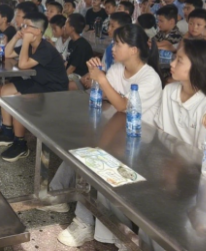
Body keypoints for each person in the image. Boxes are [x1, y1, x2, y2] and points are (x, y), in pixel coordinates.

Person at [56, 24, 163, 248]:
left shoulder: (150, 78)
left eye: (118, 44)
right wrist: (95, 75)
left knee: (93, 159)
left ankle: (86, 223)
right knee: (81, 150)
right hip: (115, 132)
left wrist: (102, 79)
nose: (112, 48)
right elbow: (104, 95)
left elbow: (123, 106)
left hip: (139, 143)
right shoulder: (117, 69)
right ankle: (60, 198)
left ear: (134, 50)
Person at [0, 13, 68, 162]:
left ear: (37, 31)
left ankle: (20, 144)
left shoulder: (45, 48)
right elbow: (7, 54)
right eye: (22, 26)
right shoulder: (31, 45)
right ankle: (7, 133)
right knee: (4, 91)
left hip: (53, 90)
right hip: (38, 83)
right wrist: (16, 37)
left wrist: (25, 42)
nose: (22, 29)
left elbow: (23, 65)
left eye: (26, 26)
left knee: (17, 101)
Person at [154, 38, 206, 149]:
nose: (172, 63)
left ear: (199, 66)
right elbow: (160, 130)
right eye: (174, 58)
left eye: (179, 61)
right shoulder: (169, 90)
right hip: (167, 155)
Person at [64, 13, 93, 81]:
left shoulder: (82, 45)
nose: (64, 26)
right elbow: (67, 62)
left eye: (66, 24)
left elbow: (72, 67)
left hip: (80, 76)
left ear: (72, 28)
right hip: (71, 73)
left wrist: (62, 79)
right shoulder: (71, 42)